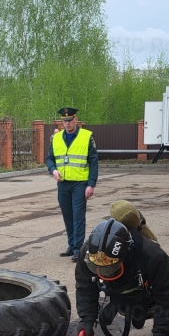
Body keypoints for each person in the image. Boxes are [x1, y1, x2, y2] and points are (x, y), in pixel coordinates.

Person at [75, 219, 169, 336]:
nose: (104, 272)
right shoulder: (89, 254)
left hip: (147, 290)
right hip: (118, 289)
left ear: (126, 254)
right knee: (129, 311)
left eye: (110, 266)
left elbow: (168, 295)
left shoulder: (153, 256)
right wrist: (86, 319)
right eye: (98, 267)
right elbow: (85, 287)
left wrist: (162, 333)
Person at [45, 107, 99, 262]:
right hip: (63, 184)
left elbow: (93, 161)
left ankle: (78, 249)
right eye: (64, 121)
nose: (67, 123)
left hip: (80, 183)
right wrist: (53, 170)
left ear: (76, 120)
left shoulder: (86, 136)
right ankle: (71, 245)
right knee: (68, 216)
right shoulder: (56, 138)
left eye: (70, 120)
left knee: (78, 217)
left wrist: (91, 184)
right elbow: (49, 158)